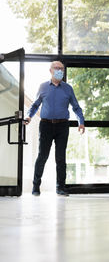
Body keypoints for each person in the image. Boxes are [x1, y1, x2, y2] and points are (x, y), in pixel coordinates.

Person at [26, 61, 85, 196]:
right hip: (46, 125)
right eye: (57, 68)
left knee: (60, 158)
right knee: (43, 156)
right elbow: (35, 105)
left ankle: (61, 187)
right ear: (50, 70)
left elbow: (76, 107)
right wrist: (29, 116)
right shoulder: (43, 87)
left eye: (61, 69)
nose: (60, 71)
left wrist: (81, 122)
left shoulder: (68, 88)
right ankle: (35, 186)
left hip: (62, 126)